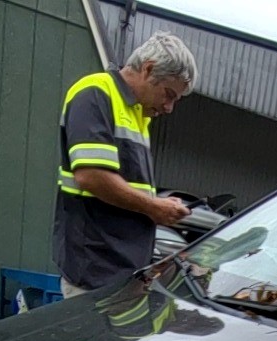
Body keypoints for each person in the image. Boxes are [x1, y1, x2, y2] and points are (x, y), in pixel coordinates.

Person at [52, 33, 196, 297]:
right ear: (149, 69)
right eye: (168, 95)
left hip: (121, 272)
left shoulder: (137, 114)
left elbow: (125, 185)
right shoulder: (95, 94)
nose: (168, 107)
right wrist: (154, 207)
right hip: (95, 271)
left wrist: (161, 203)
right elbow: (91, 176)